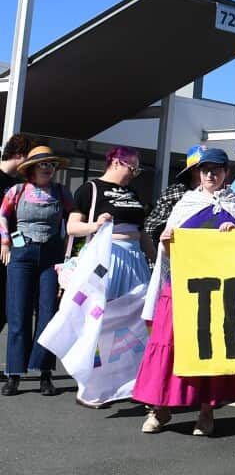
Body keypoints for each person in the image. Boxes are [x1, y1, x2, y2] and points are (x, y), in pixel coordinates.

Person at [134, 147, 235, 436]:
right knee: (168, 343)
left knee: (211, 347)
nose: (210, 175)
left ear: (227, 172)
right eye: (205, 170)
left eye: (216, 169)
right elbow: (168, 253)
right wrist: (166, 240)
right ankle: (160, 407)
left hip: (219, 291)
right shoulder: (185, 203)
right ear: (198, 173)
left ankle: (206, 411)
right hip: (180, 286)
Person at [65, 146, 155, 407]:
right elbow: (72, 227)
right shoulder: (90, 189)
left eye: (137, 169)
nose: (134, 173)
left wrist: (157, 259)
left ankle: (130, 381)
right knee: (100, 318)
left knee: (136, 319)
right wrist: (94, 225)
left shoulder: (132, 192)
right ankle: (90, 386)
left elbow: (142, 231)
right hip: (106, 257)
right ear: (116, 162)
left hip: (135, 258)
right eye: (132, 167)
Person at [0, 146, 74, 396]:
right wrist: (5, 242)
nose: (48, 168)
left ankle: (44, 373)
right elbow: (2, 214)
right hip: (22, 254)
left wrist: (71, 254)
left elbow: (74, 220)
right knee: (18, 313)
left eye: (52, 164)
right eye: (43, 164)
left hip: (52, 256)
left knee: (48, 315)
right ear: (31, 167)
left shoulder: (62, 192)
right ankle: (14, 374)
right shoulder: (17, 190)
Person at [0, 134, 35, 341]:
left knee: (6, 308)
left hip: (10, 254)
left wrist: (20, 246)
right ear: (20, 155)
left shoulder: (20, 185)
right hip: (3, 247)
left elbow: (16, 222)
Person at [143, 146, 204, 252]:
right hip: (176, 247)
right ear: (192, 170)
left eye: (213, 168)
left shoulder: (222, 195)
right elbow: (152, 225)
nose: (208, 172)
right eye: (202, 167)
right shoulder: (176, 192)